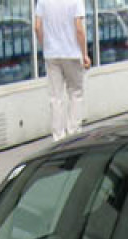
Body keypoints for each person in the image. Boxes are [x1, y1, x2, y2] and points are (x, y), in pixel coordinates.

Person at [35, 0, 91, 141]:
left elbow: (37, 27)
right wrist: (84, 54)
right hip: (72, 53)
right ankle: (73, 135)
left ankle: (58, 137)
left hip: (52, 54)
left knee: (55, 97)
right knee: (76, 93)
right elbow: (79, 29)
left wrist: (46, 46)